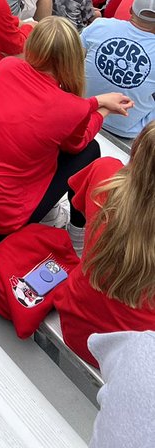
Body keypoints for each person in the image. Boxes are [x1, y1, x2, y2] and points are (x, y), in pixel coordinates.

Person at [0, 17, 131, 240]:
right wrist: (102, 111)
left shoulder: (6, 67)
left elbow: (47, 104)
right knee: (90, 150)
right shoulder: (72, 108)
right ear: (73, 59)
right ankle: (77, 236)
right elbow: (76, 145)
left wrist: (96, 102)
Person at [53, 124, 155, 370]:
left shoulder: (105, 172)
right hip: (135, 361)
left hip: (78, 328)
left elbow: (77, 206)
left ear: (138, 149)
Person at [83, 0, 155, 139]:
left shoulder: (100, 25)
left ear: (130, 10)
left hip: (84, 109)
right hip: (128, 129)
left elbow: (71, 58)